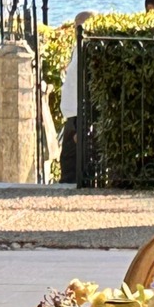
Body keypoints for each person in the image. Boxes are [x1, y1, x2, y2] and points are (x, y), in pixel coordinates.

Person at [58, 11, 95, 185]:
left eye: (79, 25)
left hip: (78, 114)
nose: (76, 29)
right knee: (68, 163)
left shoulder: (87, 49)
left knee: (72, 165)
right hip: (72, 113)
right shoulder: (78, 49)